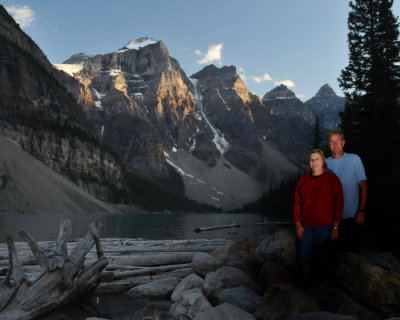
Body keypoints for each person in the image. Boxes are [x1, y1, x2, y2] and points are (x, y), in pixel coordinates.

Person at [294, 149, 344, 285]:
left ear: (323, 161)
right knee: (305, 257)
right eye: (311, 160)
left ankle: (323, 288)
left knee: (323, 258)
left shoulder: (332, 180)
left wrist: (335, 226)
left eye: (317, 159)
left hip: (326, 227)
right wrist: (298, 223)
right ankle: (306, 286)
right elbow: (297, 204)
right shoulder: (303, 181)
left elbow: (339, 204)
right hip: (307, 227)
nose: (314, 162)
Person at [326, 130, 367, 251]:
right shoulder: (324, 164)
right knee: (333, 256)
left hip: (352, 218)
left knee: (352, 255)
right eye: (332, 142)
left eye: (337, 141)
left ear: (343, 143)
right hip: (331, 221)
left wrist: (362, 211)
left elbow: (363, 186)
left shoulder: (354, 159)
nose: (335, 144)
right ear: (329, 144)